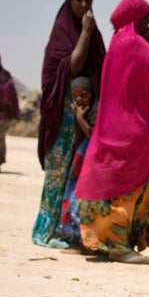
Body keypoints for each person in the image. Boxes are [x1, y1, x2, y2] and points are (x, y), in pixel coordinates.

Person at [75, 0, 149, 264]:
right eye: (146, 18)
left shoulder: (118, 42)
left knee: (111, 182)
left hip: (113, 125)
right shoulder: (135, 43)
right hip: (132, 129)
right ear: (135, 18)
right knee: (126, 187)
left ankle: (108, 241)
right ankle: (117, 246)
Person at [32, 0, 106, 248]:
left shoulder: (95, 36)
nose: (84, 7)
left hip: (85, 119)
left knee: (75, 176)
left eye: (88, 2)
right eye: (79, 0)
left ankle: (67, 231)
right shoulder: (61, 35)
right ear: (69, 1)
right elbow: (72, 65)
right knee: (56, 174)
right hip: (61, 117)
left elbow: (102, 70)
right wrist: (85, 32)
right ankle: (44, 232)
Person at [57, 77, 96, 242]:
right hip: (79, 162)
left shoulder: (94, 111)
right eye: (75, 96)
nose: (80, 99)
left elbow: (94, 135)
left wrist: (80, 118)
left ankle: (82, 240)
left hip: (90, 163)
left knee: (80, 200)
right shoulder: (82, 111)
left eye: (84, 94)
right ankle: (73, 238)